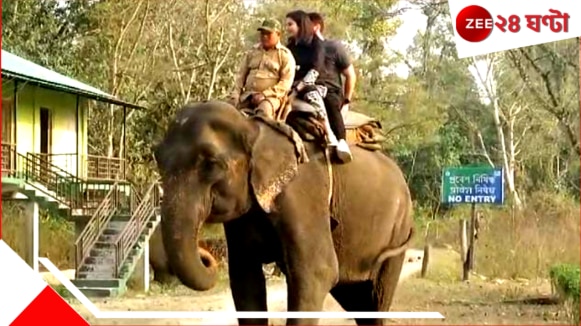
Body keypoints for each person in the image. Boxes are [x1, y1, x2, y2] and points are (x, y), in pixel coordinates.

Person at [285, 10, 352, 163]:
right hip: (297, 85)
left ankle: (337, 139)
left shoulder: (324, 46)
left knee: (328, 101)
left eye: (290, 24)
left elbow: (316, 69)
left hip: (321, 88)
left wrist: (347, 100)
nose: (287, 28)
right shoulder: (291, 45)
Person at [230, 18, 296, 119]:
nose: (264, 37)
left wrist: (265, 94)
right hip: (248, 95)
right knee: (225, 112)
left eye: (268, 34)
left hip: (271, 98)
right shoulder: (252, 52)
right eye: (262, 34)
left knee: (264, 112)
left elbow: (285, 83)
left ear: (278, 35)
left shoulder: (285, 55)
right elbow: (240, 75)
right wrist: (235, 93)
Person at [308, 12, 357, 117]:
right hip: (307, 94)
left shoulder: (334, 47)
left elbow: (350, 75)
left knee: (336, 126)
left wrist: (346, 102)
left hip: (330, 96)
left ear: (316, 27)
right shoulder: (301, 50)